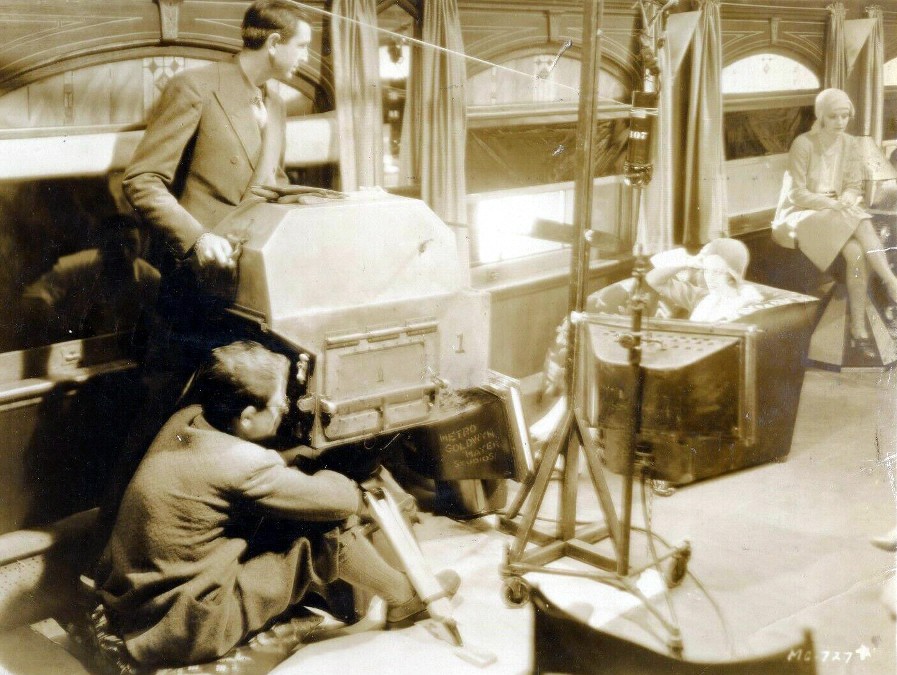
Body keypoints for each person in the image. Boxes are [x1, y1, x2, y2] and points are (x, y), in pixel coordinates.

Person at [93, 340, 459, 669]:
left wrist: (286, 458)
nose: (287, 405)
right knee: (322, 531)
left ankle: (380, 589)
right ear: (247, 416)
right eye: (277, 400)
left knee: (287, 513)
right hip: (188, 623)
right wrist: (338, 461)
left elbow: (227, 470)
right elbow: (341, 500)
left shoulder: (187, 419)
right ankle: (404, 597)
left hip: (138, 597)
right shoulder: (243, 466)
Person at [772, 88, 897, 358]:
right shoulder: (803, 144)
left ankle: (859, 331)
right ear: (821, 116)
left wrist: (849, 198)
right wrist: (834, 204)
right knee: (860, 220)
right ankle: (891, 280)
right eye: (833, 117)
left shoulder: (850, 144)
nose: (840, 123)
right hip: (801, 212)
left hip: (837, 213)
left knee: (856, 254)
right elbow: (797, 194)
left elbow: (853, 185)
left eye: (844, 116)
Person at [21, 214, 159, 344]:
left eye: (131, 243)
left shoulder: (151, 279)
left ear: (142, 244)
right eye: (114, 244)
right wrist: (62, 326)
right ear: (101, 245)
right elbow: (32, 298)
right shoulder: (77, 265)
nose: (124, 253)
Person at [645, 238, 764, 323]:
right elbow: (653, 280)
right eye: (707, 271)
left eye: (717, 272)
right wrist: (689, 261)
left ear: (734, 275)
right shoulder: (702, 298)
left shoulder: (751, 304)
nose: (710, 278)